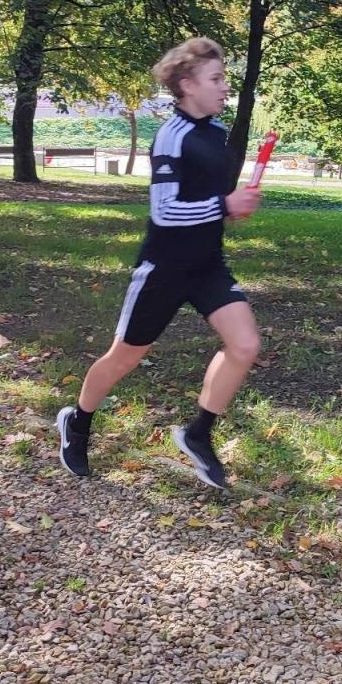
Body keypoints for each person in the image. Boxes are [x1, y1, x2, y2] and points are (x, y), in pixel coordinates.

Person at [55, 38, 263, 489]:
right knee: (124, 359)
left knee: (244, 346)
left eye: (224, 78)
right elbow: (165, 210)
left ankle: (198, 435)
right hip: (163, 270)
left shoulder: (214, 132)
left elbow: (204, 199)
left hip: (207, 265)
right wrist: (225, 205)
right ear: (187, 85)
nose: (225, 87)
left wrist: (232, 205)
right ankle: (78, 422)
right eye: (216, 79)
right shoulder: (172, 135)